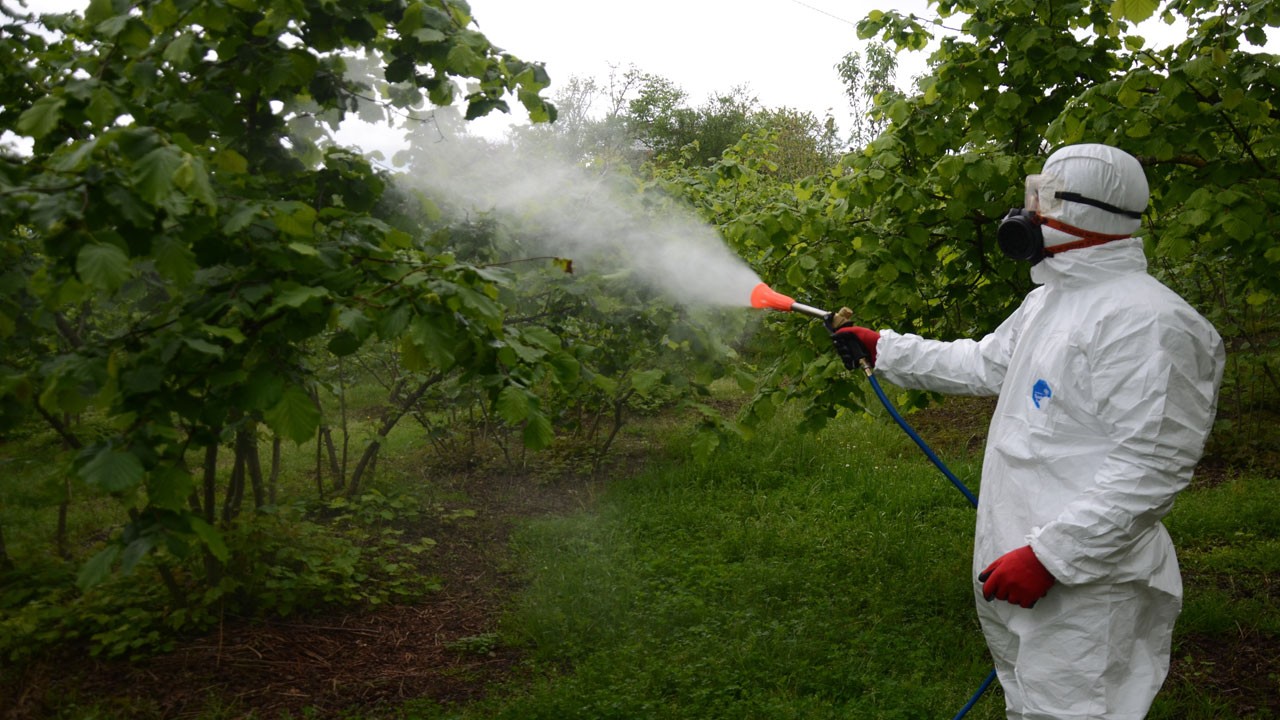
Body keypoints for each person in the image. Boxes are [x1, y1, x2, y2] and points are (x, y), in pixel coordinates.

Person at [831, 144, 1225, 719]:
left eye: (1044, 202)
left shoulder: (1151, 323)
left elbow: (1151, 467)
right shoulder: (1050, 301)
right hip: (1017, 561)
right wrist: (885, 349)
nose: (1029, 216)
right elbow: (986, 363)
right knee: (1029, 704)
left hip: (1088, 586)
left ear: (1086, 214)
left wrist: (1051, 557)